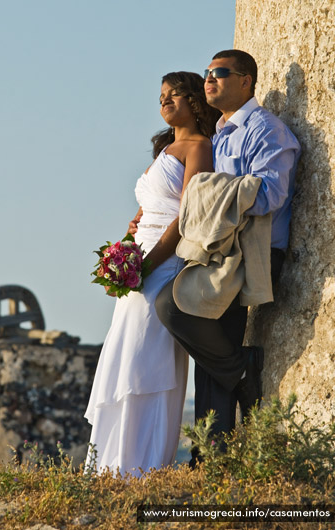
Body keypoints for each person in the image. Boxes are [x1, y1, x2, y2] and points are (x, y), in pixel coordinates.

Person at [155, 50, 300, 465]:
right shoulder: (218, 136)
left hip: (251, 251)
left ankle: (238, 373)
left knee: (175, 306)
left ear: (246, 81)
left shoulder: (267, 130)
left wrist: (209, 192)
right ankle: (211, 455)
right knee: (211, 348)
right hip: (220, 251)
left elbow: (271, 193)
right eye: (207, 74)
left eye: (220, 73)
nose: (209, 80)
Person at [84, 72, 219, 476]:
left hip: (164, 261)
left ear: (194, 101)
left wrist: (147, 264)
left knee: (148, 357)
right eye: (161, 96)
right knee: (125, 353)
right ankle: (109, 465)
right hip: (139, 258)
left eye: (173, 95)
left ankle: (140, 465)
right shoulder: (165, 148)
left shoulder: (199, 147)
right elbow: (148, 207)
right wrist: (126, 243)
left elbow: (187, 214)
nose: (164, 101)